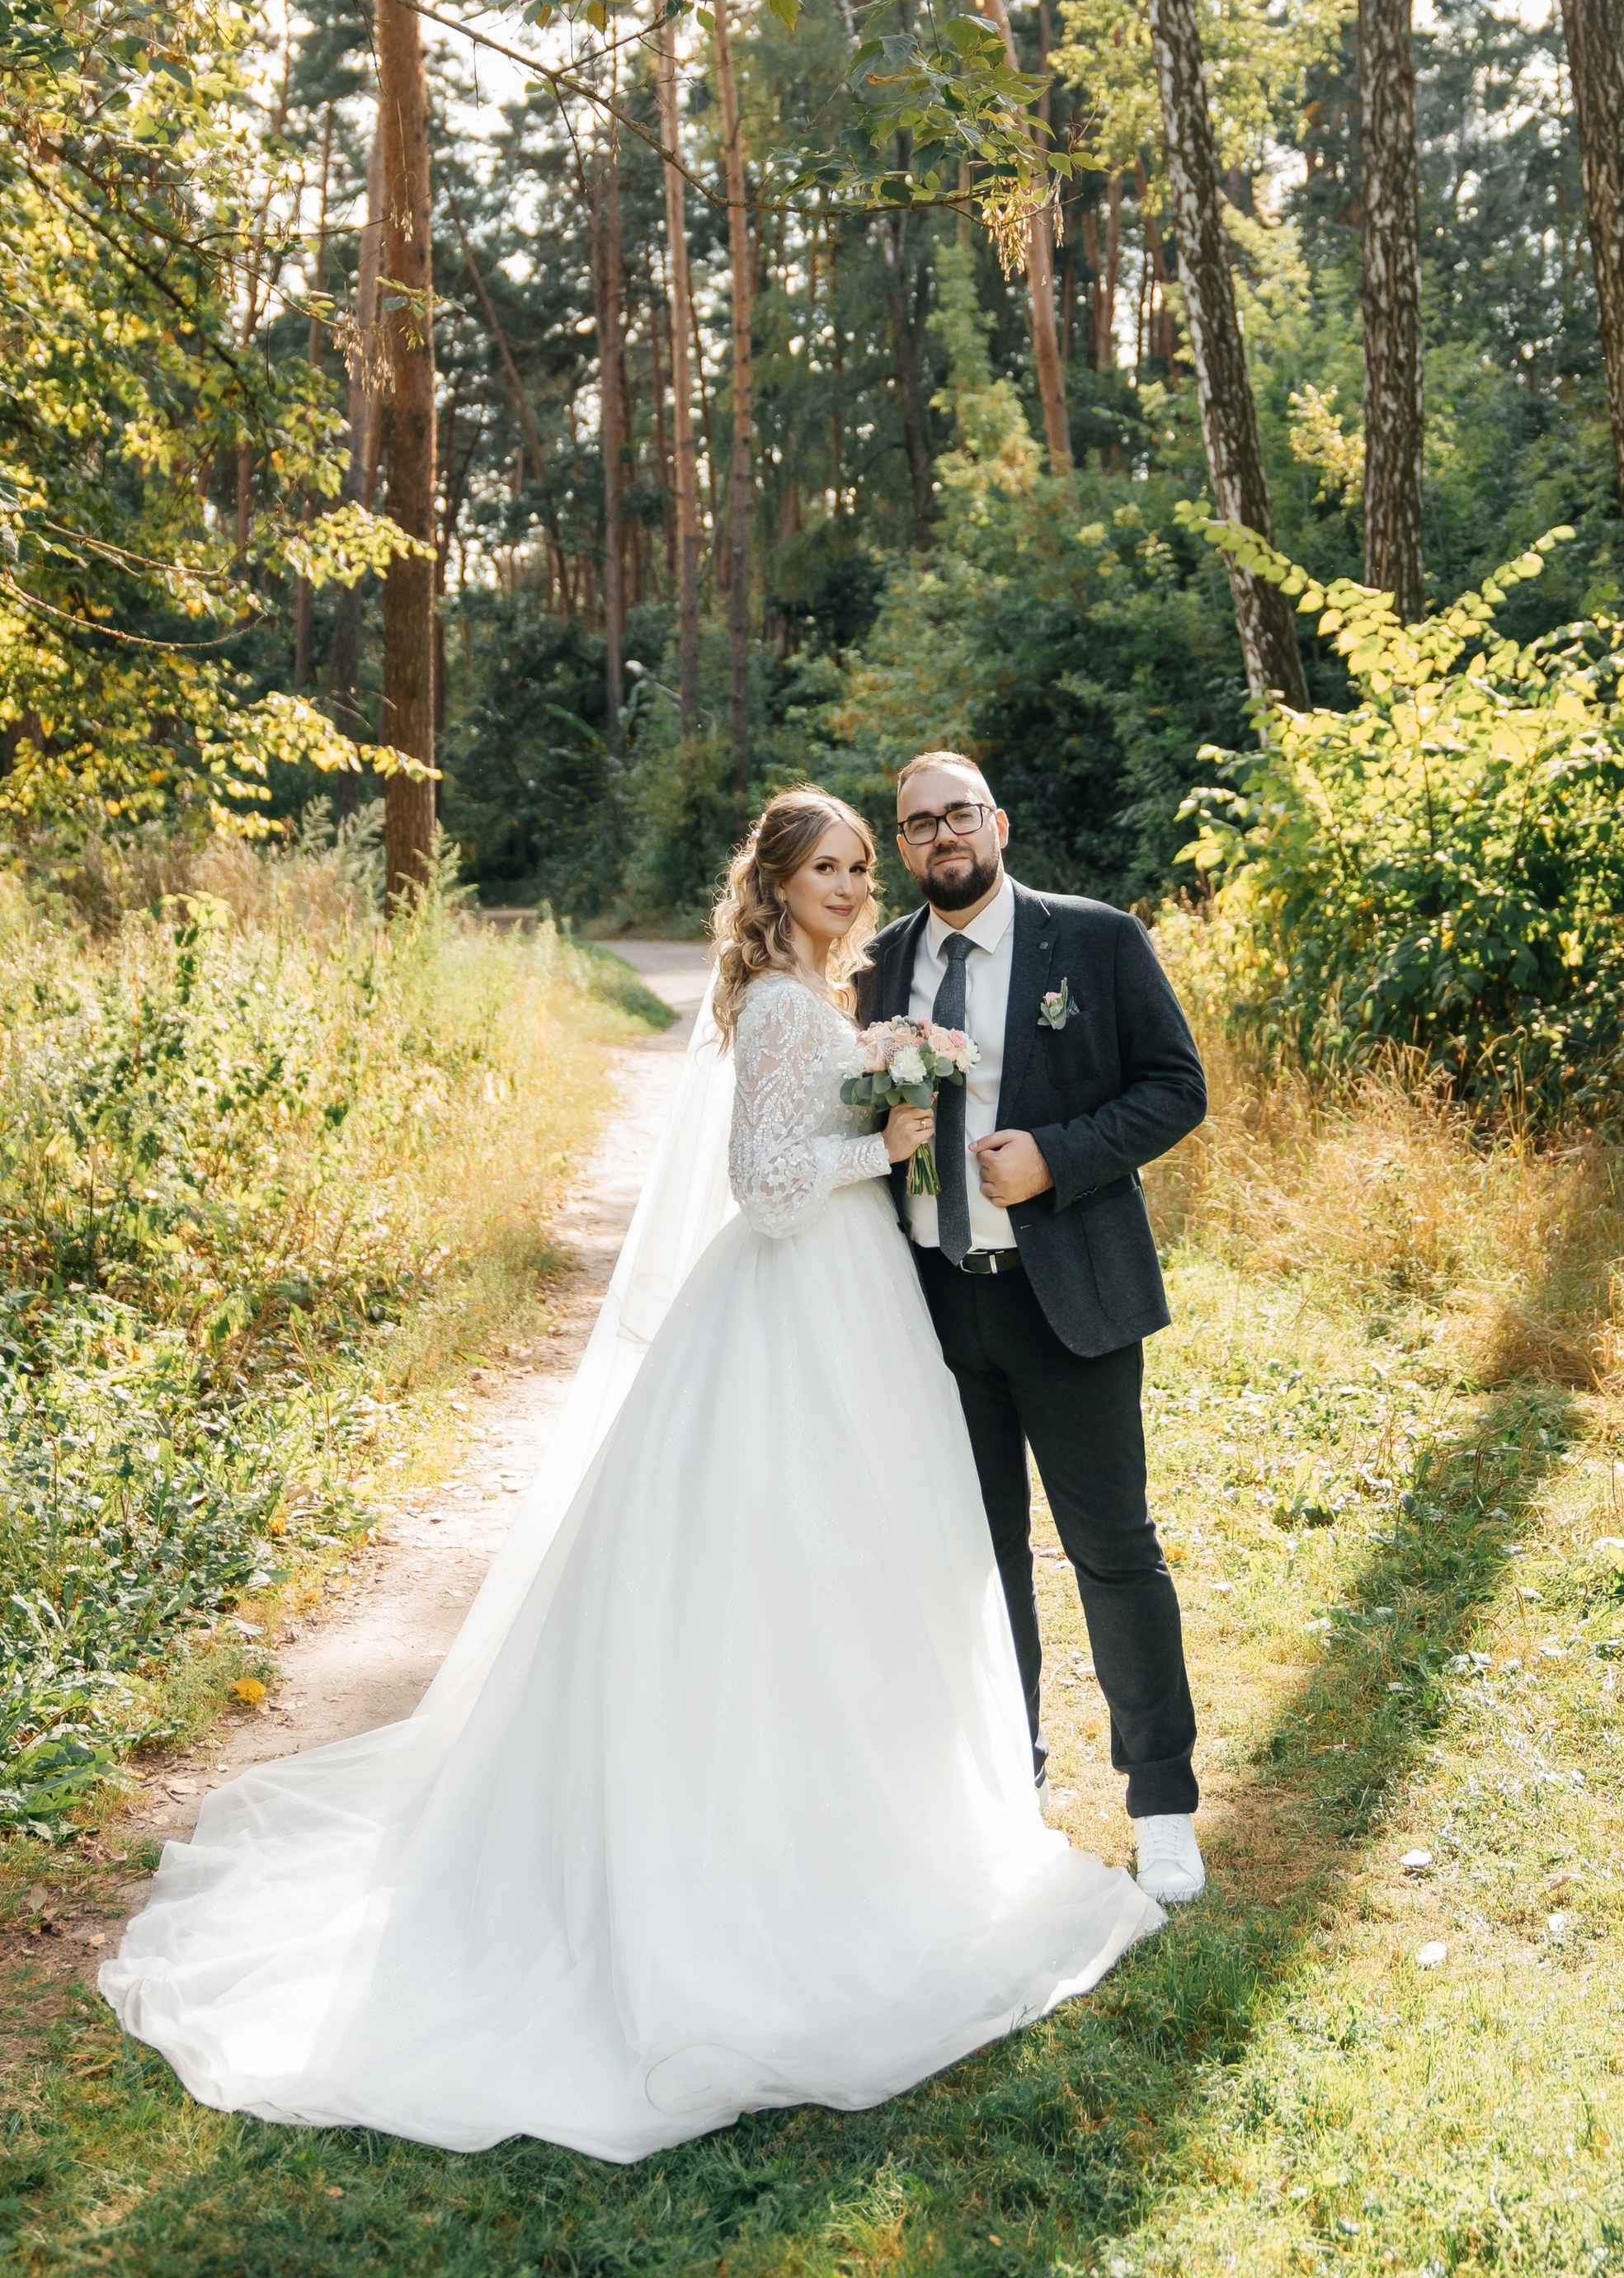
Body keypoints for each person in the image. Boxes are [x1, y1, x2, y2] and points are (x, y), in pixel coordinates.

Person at [99, 788, 1163, 2164]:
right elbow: (768, 1185)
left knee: (866, 1563)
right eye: (828, 867)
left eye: (859, 864)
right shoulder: (787, 1005)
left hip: (852, 1307)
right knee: (795, 1565)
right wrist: (886, 1142)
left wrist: (886, 1101)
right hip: (792, 1311)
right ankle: (794, 1855)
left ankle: (898, 1812)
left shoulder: (816, 991)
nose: (850, 886)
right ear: (776, 885)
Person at [858, 753, 1209, 1906]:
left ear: (997, 821)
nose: (942, 836)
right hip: (933, 1304)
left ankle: (1160, 1801)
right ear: (901, 847)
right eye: (918, 825)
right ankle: (1012, 1782)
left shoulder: (1094, 940)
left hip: (1068, 1297)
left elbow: (1175, 1087)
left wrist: (1055, 1156)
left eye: (958, 813)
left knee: (1112, 1549)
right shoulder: (877, 967)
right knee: (978, 1558)